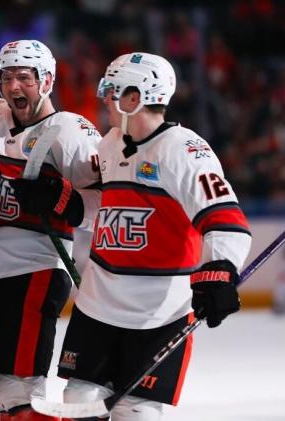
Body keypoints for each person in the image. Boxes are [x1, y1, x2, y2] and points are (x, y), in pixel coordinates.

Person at [52, 52, 252, 421]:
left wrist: (220, 269)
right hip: (97, 307)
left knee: (137, 414)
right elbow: (108, 205)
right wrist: (70, 204)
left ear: (135, 97)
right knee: (77, 402)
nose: (105, 98)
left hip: (158, 317)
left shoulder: (184, 150)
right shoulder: (110, 143)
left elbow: (225, 217)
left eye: (113, 90)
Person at [0, 40, 102, 420]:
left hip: (35, 270)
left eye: (24, 78)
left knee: (17, 389)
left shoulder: (70, 130)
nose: (15, 87)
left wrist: (64, 200)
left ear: (46, 80)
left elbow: (106, 205)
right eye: (7, 77)